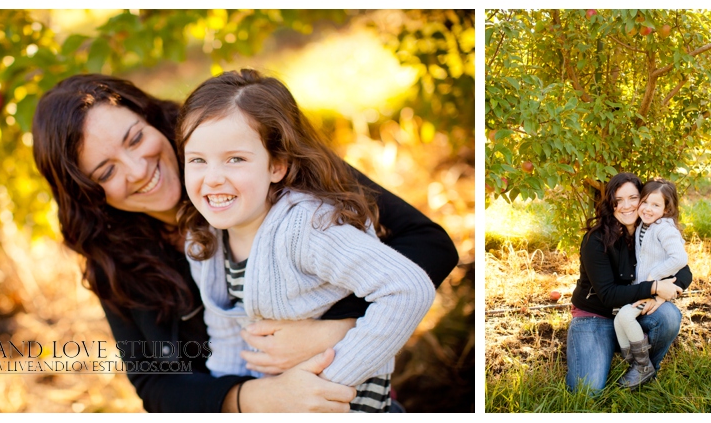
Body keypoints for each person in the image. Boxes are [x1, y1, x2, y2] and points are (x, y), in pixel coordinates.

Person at [31, 73, 458, 412]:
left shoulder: (254, 157)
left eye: (136, 138)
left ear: (152, 119)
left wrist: (336, 331)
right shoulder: (114, 260)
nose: (137, 169)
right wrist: (252, 402)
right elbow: (156, 385)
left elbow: (427, 244)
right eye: (105, 172)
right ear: (87, 192)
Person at [176, 69, 435, 413]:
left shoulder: (307, 228)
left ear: (277, 165)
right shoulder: (204, 242)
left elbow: (408, 289)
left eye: (235, 159)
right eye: (197, 160)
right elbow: (227, 341)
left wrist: (329, 383)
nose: (213, 178)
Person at [566, 172, 691, 394]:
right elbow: (608, 294)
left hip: (631, 313)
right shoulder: (595, 240)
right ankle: (607, 349)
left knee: (669, 315)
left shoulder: (651, 231)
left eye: (633, 198)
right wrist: (654, 287)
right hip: (596, 316)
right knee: (587, 390)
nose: (627, 206)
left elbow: (684, 271)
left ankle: (643, 367)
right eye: (618, 200)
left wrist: (662, 296)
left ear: (643, 199)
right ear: (610, 203)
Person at [613, 178, 687, 389]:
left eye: (656, 205)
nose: (647, 209)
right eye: (645, 202)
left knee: (625, 319)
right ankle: (635, 363)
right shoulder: (644, 225)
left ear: (666, 209)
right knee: (621, 320)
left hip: (651, 291)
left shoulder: (664, 228)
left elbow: (680, 259)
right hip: (641, 291)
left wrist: (654, 278)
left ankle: (642, 365)